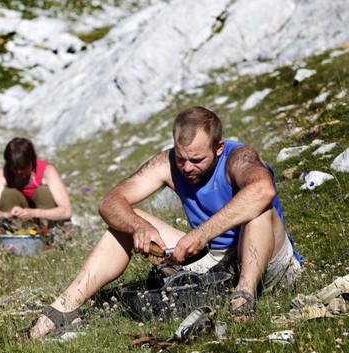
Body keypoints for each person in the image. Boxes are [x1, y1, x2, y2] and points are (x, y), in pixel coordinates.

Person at [29, 106, 302, 338]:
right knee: (124, 224)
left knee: (260, 209)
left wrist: (201, 234)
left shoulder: (238, 157)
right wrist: (138, 226)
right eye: (181, 158)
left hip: (268, 261)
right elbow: (110, 202)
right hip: (215, 260)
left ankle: (244, 297)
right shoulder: (169, 163)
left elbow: (263, 191)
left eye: (196, 160)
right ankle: (63, 309)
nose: (186, 168)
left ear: (218, 147)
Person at [0, 137, 72, 229]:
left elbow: (66, 211)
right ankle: (15, 237)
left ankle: (49, 237)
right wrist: (8, 215)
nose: (19, 172)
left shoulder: (47, 171)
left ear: (32, 162)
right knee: (8, 194)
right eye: (14, 168)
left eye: (23, 167)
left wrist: (34, 213)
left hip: (46, 220)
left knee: (42, 191)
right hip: (23, 223)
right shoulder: (3, 173)